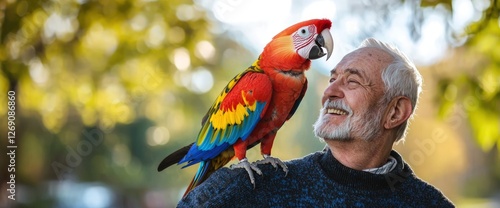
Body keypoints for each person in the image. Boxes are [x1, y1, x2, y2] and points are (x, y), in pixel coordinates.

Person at [177, 38, 454, 207]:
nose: (330, 91)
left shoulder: (429, 203)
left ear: (395, 112)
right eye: (332, 79)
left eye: (353, 81)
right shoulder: (241, 188)